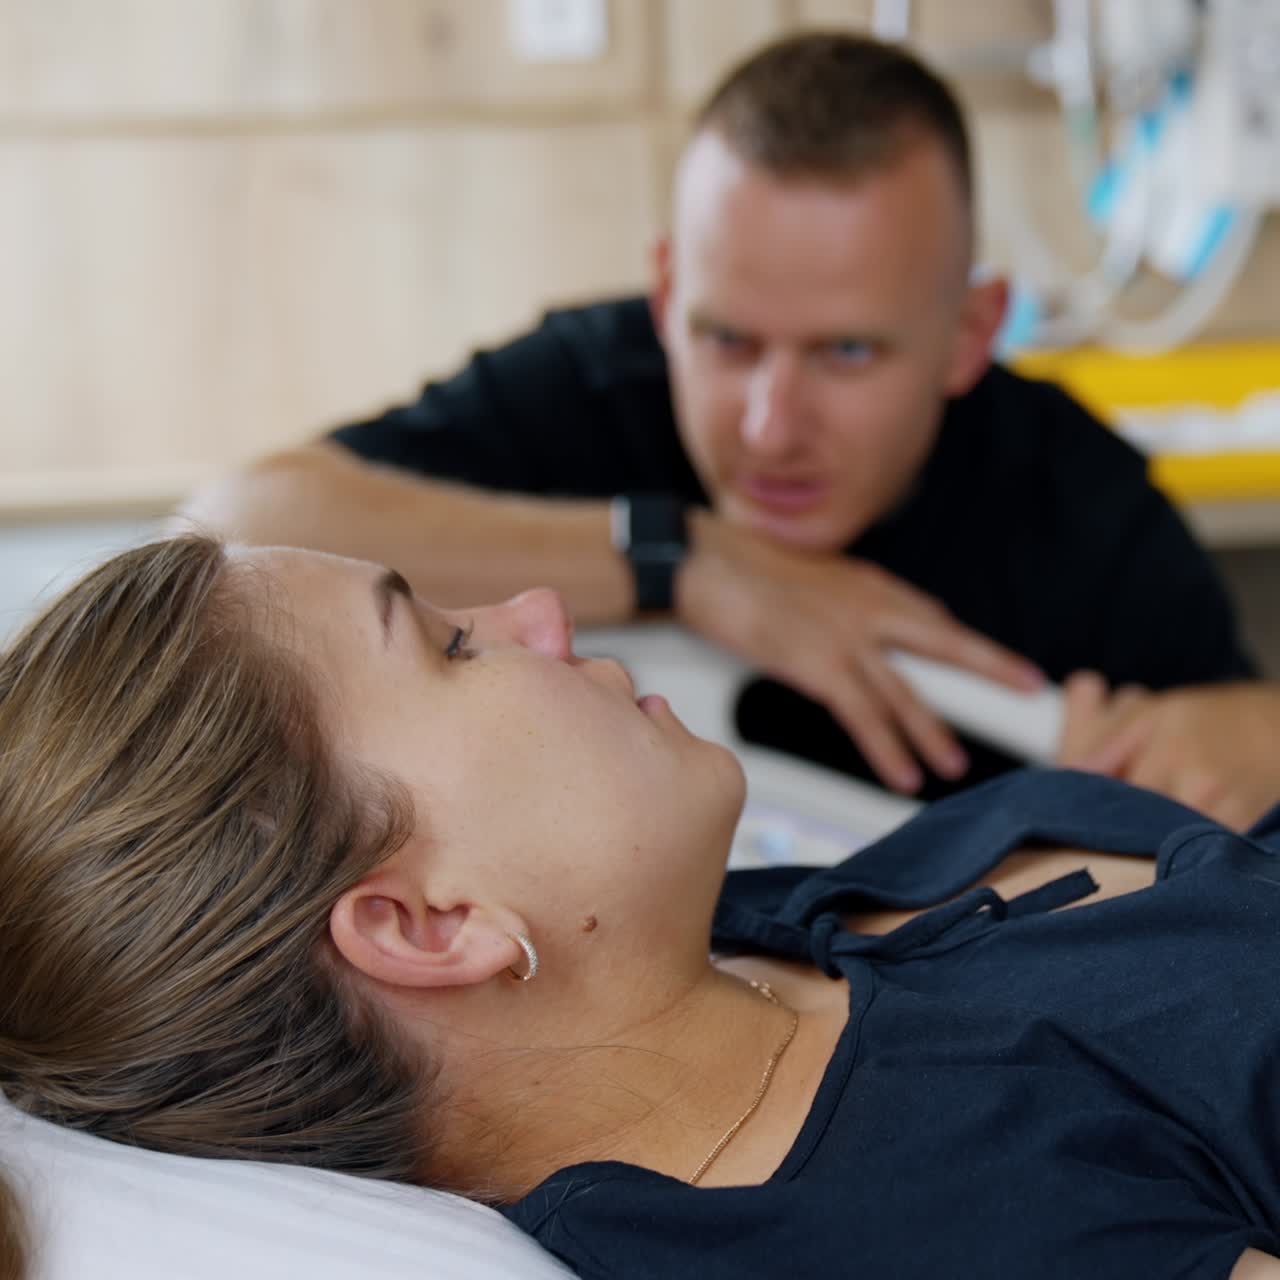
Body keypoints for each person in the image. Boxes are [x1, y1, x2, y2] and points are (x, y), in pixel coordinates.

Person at [3, 533, 1280, 1278]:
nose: (537, 614)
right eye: (452, 645)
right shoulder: (940, 1222)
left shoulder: (724, 943)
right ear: (425, 923)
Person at [177, 31, 1258, 806]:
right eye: (725, 339)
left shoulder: (1069, 490)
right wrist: (678, 559)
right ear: (663, 295)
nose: (768, 425)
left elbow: (1238, 728)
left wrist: (1232, 742)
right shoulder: (593, 384)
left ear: (971, 331)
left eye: (846, 351)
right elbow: (221, 537)